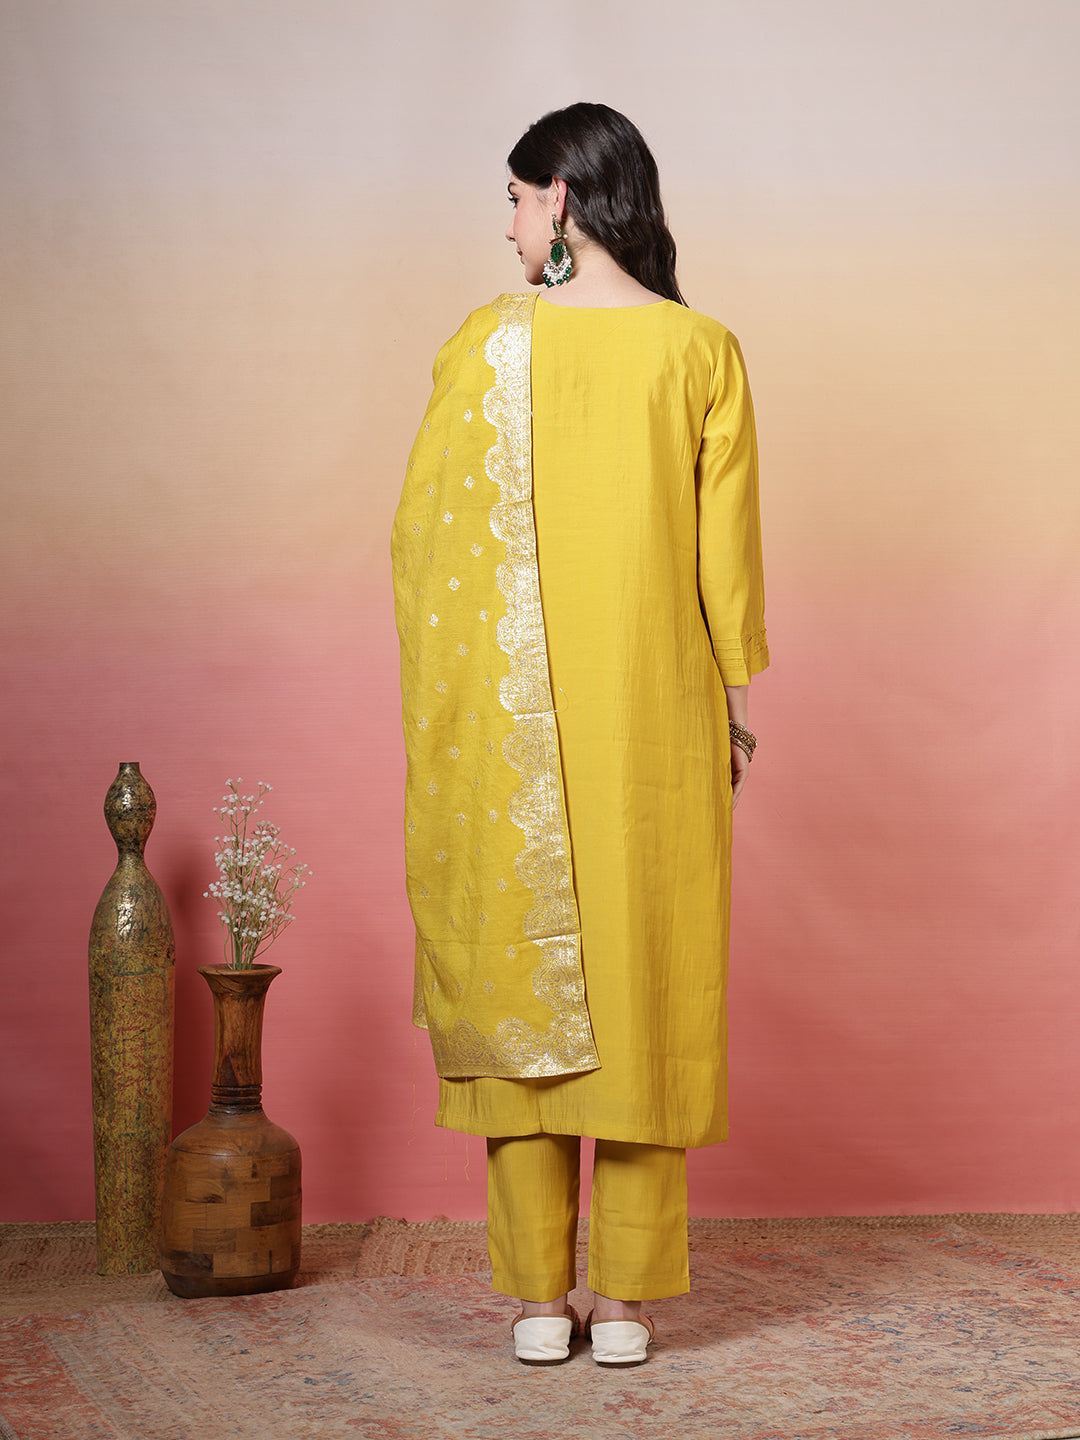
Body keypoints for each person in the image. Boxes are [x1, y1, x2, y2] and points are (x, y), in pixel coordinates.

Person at [391, 102, 768, 1367]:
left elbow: (422, 545)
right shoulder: (701, 351)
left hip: (511, 739)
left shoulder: (484, 348)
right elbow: (725, 569)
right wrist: (734, 718)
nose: (506, 226)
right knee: (648, 984)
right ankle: (630, 1303)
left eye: (513, 198)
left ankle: (539, 1299)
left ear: (561, 196)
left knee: (525, 992)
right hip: (656, 731)